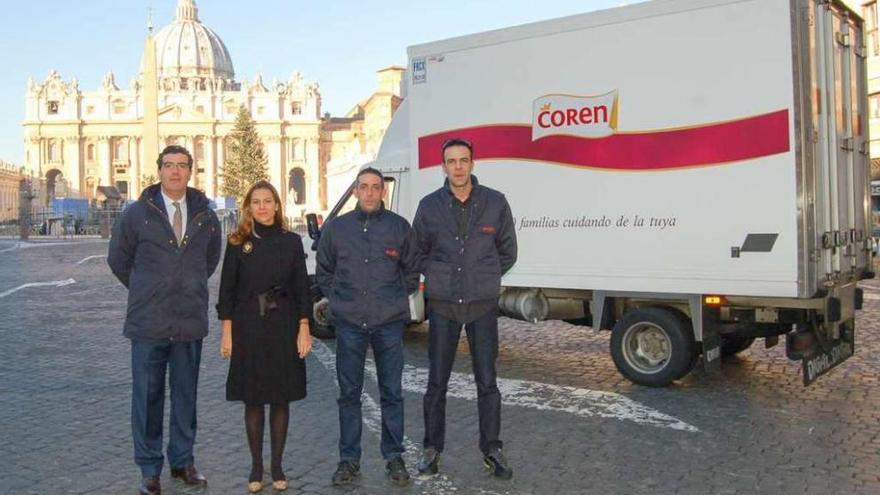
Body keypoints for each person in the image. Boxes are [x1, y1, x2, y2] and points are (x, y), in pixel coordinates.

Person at [107, 145, 222, 495]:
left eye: (182, 166)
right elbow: (118, 260)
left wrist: (187, 287)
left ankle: (183, 461)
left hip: (189, 320)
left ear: (191, 171)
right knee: (147, 398)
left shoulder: (206, 215)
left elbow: (210, 261)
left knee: (186, 396)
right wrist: (147, 289)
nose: (175, 171)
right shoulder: (135, 214)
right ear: (159, 171)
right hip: (148, 322)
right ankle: (149, 468)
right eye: (168, 165)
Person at [413, 138, 518, 479]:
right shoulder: (429, 207)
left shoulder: (495, 202)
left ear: (473, 163)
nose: (457, 167)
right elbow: (418, 251)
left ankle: (492, 449)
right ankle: (432, 449)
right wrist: (442, 274)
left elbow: (507, 251)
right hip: (443, 305)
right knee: (436, 383)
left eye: (463, 160)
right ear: (443, 166)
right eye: (451, 161)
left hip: (481, 306)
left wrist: (482, 276)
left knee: (487, 382)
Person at [315, 168, 419, 487]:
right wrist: (341, 301)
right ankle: (349, 460)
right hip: (349, 324)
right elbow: (324, 272)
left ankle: (394, 456)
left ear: (383, 192)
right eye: (364, 187)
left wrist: (391, 301)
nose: (371, 193)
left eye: (376, 187)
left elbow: (412, 273)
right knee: (349, 394)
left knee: (391, 393)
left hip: (388, 324)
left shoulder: (399, 228)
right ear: (356, 191)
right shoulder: (336, 229)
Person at [216, 180, 312, 493]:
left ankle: (277, 465)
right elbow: (226, 291)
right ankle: (256, 466)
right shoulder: (237, 242)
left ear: (276, 205)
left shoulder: (291, 241)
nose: (262, 206)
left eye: (267, 201)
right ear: (248, 206)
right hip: (249, 326)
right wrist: (227, 331)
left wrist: (304, 325)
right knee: (254, 398)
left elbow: (301, 288)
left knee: (281, 397)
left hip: (283, 325)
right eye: (256, 201)